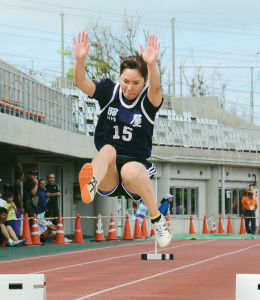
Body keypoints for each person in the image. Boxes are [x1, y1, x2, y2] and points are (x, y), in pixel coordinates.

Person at [73, 30, 172, 247]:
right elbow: (81, 83)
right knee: (107, 149)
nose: (129, 88)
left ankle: (157, 220)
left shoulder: (148, 101)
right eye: (125, 81)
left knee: (130, 170)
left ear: (144, 81)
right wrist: (80, 60)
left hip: (135, 170)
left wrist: (152, 64)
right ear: (120, 77)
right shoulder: (109, 91)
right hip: (108, 171)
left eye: (136, 83)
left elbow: (155, 89)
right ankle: (90, 184)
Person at [12, 170, 25, 236]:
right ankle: (15, 237)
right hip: (17, 206)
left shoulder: (13, 183)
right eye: (22, 175)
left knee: (12, 222)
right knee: (17, 222)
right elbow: (18, 196)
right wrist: (22, 207)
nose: (23, 176)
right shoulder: (18, 184)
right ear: (20, 176)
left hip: (12, 205)